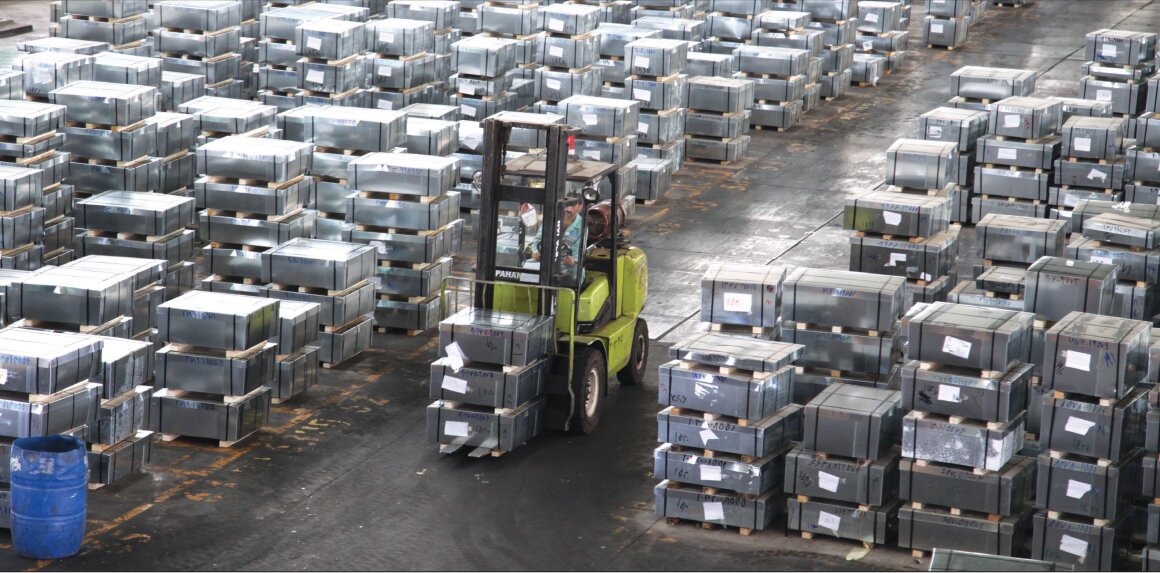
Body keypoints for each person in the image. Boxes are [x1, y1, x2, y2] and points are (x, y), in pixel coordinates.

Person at [530, 201, 584, 271]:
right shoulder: (552, 219)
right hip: (545, 265)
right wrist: (536, 252)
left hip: (568, 270)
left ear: (580, 207)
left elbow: (578, 253)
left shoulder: (582, 225)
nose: (568, 209)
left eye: (573, 206)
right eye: (567, 205)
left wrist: (573, 261)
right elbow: (538, 239)